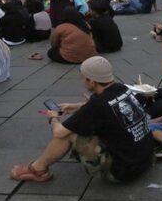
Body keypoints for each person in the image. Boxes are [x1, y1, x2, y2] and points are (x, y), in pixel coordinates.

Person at [9, 56, 154, 183]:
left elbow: (58, 132)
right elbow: (109, 107)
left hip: (123, 172)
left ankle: (38, 169)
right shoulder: (122, 88)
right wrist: (77, 106)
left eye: (83, 78)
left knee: (68, 133)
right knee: (86, 125)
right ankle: (38, 167)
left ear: (91, 81)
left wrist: (53, 118)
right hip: (145, 160)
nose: (83, 81)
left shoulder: (97, 105)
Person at [30, 6, 97, 64]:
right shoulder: (86, 25)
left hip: (70, 57)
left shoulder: (62, 27)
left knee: (51, 52)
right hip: (89, 55)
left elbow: (54, 44)